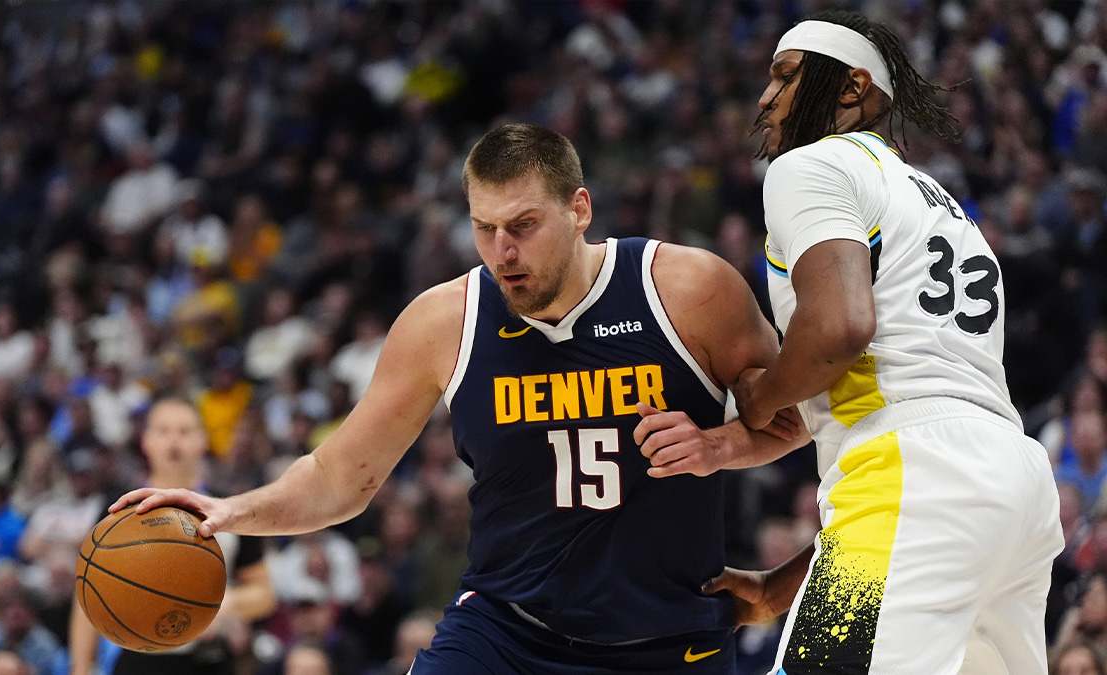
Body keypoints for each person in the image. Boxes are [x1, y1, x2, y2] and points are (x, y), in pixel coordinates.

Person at [111, 123, 807, 674]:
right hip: (506, 633)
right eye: (484, 228)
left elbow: (800, 421)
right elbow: (339, 478)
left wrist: (718, 446)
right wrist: (231, 510)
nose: (502, 250)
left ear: (579, 209)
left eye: (523, 226)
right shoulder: (444, 320)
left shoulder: (686, 289)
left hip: (664, 637)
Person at [685, 10, 1061, 675]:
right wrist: (779, 588)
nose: (766, 98)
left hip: (915, 480)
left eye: (786, 76)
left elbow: (841, 332)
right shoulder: (942, 205)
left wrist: (761, 395)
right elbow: (913, 416)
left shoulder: (815, 165)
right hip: (1014, 490)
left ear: (852, 88)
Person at [68, 398, 276, 675]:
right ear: (147, 441)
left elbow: (265, 594)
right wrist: (80, 669)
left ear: (202, 441)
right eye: (164, 431)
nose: (174, 441)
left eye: (184, 431)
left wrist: (228, 604)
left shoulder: (226, 509)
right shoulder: (118, 510)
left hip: (209, 660)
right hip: (139, 661)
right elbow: (87, 597)